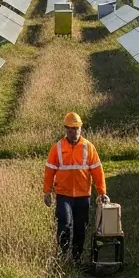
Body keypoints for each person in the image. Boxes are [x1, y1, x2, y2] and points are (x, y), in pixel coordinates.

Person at [43, 112, 108, 262]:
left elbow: (97, 170)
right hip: (63, 194)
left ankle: (77, 257)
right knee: (65, 222)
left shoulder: (89, 147)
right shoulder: (57, 148)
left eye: (76, 129)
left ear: (81, 128)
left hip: (83, 195)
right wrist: (47, 192)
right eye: (71, 129)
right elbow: (49, 171)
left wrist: (102, 192)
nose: (74, 132)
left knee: (80, 227)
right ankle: (63, 254)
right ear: (66, 129)